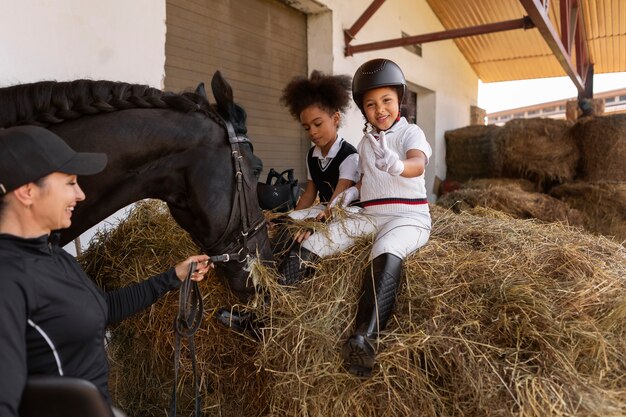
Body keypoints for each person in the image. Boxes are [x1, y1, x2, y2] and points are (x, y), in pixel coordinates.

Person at [0, 126, 213, 417]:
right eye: (70, 182)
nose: (81, 194)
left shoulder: (55, 257)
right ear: (27, 191)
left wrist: (172, 277)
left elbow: (103, 309)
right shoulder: (8, 279)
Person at [295, 58, 432, 377]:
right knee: (317, 241)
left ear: (400, 100)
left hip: (407, 217)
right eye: (370, 104)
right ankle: (264, 311)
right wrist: (351, 194)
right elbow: (362, 181)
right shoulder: (367, 143)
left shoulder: (410, 133)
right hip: (371, 214)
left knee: (385, 250)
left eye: (386, 101)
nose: (379, 109)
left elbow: (417, 163)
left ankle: (365, 339)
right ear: (362, 108)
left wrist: (399, 167)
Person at [275, 70, 360, 284]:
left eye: (318, 123)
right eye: (307, 127)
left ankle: (292, 279)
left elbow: (338, 201)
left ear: (336, 118)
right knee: (287, 226)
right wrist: (292, 218)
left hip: (343, 212)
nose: (312, 132)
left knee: (308, 237)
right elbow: (310, 193)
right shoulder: (311, 155)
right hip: (324, 209)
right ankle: (269, 268)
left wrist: (314, 224)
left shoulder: (349, 156)